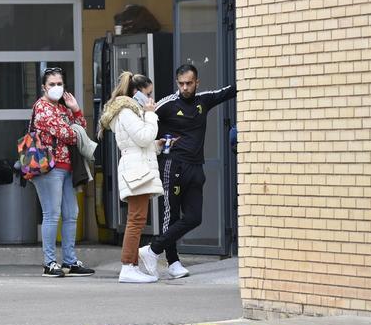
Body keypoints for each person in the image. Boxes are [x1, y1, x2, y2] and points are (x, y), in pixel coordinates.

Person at [139, 64, 237, 279]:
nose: (185, 87)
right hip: (172, 165)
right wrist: (157, 141)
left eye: (189, 83)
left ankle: (153, 249)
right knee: (171, 216)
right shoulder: (167, 104)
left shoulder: (204, 99)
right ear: (177, 83)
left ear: (196, 83)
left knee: (194, 217)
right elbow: (143, 121)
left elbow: (230, 91)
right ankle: (172, 262)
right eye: (181, 83)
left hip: (195, 167)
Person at [99, 72, 162, 283]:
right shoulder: (126, 111)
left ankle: (132, 265)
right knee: (135, 220)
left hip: (137, 168)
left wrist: (157, 146)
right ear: (137, 92)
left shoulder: (130, 111)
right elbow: (143, 137)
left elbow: (140, 142)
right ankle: (127, 266)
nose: (150, 98)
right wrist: (151, 114)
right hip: (136, 171)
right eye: (148, 93)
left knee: (138, 218)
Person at [31, 66, 94, 277]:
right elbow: (70, 135)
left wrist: (76, 110)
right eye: (52, 84)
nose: (56, 88)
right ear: (44, 87)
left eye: (59, 84)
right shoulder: (42, 108)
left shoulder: (62, 107)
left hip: (67, 168)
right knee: (52, 214)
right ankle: (49, 263)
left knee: (71, 214)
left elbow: (81, 128)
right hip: (49, 168)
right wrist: (74, 128)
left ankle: (69, 261)